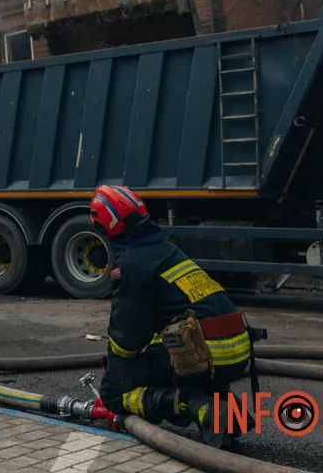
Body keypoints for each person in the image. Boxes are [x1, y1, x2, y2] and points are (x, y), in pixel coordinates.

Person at [90, 185, 251, 448]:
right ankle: (224, 411)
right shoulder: (169, 252)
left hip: (204, 354)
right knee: (169, 348)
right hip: (235, 352)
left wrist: (117, 368)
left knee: (112, 389)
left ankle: (193, 404)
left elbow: (127, 341)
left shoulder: (131, 263)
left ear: (104, 229)